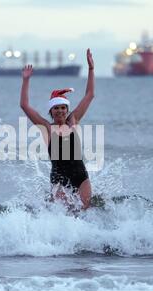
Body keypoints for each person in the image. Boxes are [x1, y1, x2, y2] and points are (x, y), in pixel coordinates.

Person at [20, 49, 95, 210]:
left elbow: (89, 95)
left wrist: (91, 69)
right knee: (64, 212)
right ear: (51, 111)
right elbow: (24, 106)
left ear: (67, 109)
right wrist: (26, 80)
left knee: (85, 209)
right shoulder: (46, 127)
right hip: (59, 178)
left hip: (80, 175)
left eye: (62, 107)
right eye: (56, 108)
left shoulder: (73, 120)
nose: (60, 111)